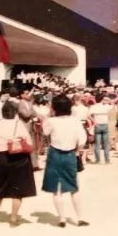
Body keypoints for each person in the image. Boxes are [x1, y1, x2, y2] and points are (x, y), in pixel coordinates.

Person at [41, 94, 90, 227]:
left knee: (57, 189)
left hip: (55, 153)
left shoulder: (52, 121)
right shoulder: (75, 121)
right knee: (74, 187)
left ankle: (62, 219)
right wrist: (77, 151)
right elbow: (82, 140)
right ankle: (80, 218)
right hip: (70, 154)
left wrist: (47, 116)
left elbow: (45, 132)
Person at [0, 100, 37, 227]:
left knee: (0, 188)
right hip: (17, 158)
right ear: (15, 112)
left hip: (0, 156)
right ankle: (14, 218)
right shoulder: (18, 124)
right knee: (18, 189)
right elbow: (29, 142)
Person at [88, 95, 113, 164]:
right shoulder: (106, 106)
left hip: (97, 124)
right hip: (105, 124)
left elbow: (88, 115)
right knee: (106, 144)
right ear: (102, 100)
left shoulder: (93, 107)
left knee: (97, 144)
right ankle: (107, 159)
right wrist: (108, 99)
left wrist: (94, 121)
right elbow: (113, 105)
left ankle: (98, 159)